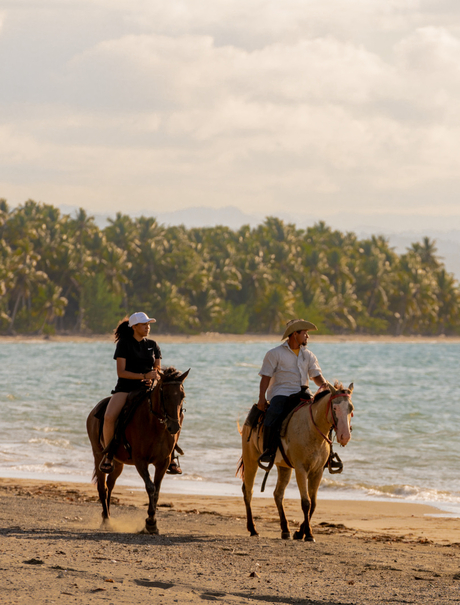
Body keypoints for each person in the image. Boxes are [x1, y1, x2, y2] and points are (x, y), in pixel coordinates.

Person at [99, 311, 181, 475]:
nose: (147, 327)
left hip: (148, 389)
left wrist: (154, 378)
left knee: (173, 412)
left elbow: (157, 370)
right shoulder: (123, 344)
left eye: (148, 324)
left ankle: (171, 455)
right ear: (134, 327)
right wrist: (143, 376)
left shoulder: (153, 345)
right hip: (126, 388)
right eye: (144, 325)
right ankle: (108, 454)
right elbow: (121, 372)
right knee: (109, 417)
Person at [257, 319, 328, 465]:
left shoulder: (308, 355)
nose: (307, 337)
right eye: (305, 333)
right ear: (295, 334)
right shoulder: (274, 354)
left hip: (304, 394)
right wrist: (261, 399)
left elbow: (316, 376)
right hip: (281, 393)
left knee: (325, 415)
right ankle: (268, 451)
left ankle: (328, 455)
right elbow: (265, 378)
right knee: (273, 412)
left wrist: (326, 387)